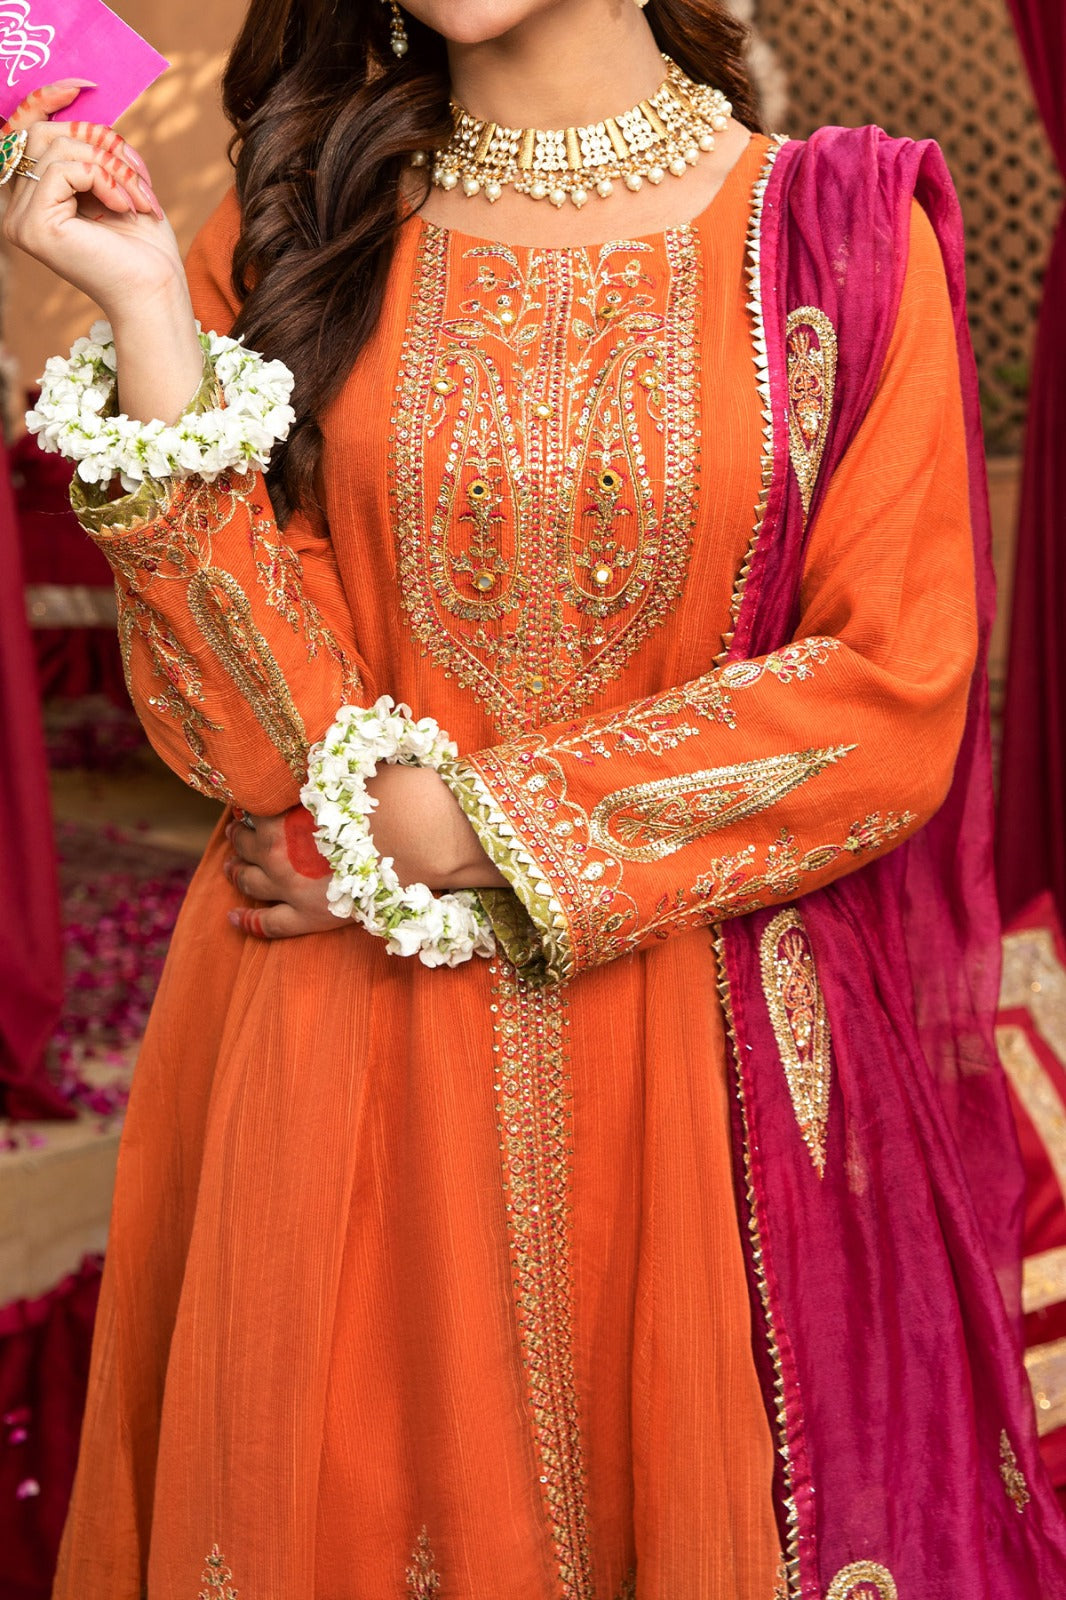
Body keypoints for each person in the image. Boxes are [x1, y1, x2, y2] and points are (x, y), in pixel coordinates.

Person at [6, 1, 1066, 1595]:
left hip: (692, 1060)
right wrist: (153, 312)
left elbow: (888, 696)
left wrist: (459, 828)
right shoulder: (302, 221)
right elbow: (250, 747)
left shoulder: (837, 232)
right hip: (335, 1060)